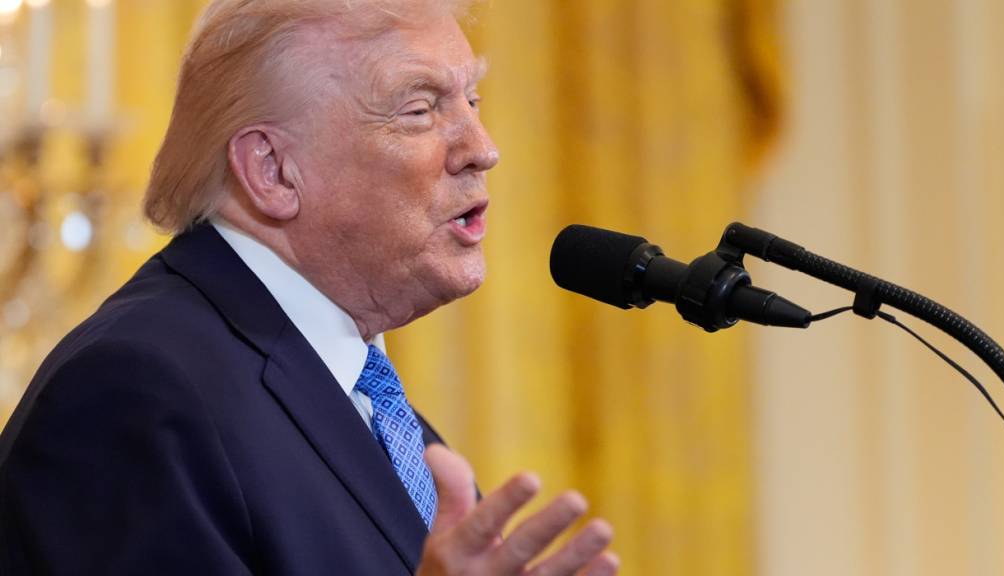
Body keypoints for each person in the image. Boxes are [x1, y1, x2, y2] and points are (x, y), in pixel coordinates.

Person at [0, 1, 619, 574]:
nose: (483, 149)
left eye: (472, 101)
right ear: (272, 171)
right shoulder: (135, 391)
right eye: (420, 108)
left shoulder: (369, 402)